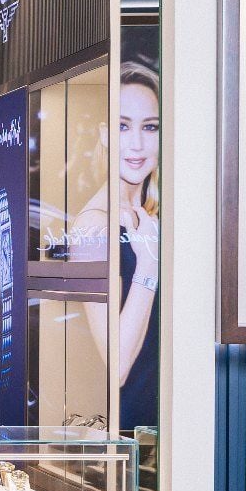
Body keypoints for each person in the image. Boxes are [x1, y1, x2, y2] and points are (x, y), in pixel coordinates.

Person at [74, 64, 160, 430]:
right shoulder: (93, 225)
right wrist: (149, 266)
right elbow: (118, 364)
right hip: (130, 426)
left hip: (167, 416)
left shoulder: (151, 217)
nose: (137, 143)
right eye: (123, 126)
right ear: (105, 135)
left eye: (150, 127)